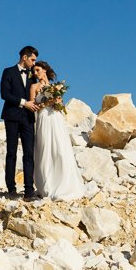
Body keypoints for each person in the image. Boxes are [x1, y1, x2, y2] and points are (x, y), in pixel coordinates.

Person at [31, 61, 84, 200]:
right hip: (43, 118)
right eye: (34, 71)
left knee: (60, 149)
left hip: (56, 118)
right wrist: (46, 103)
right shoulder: (34, 87)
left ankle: (64, 184)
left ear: (44, 70)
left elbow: (60, 106)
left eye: (37, 70)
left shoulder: (55, 86)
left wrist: (58, 101)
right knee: (45, 149)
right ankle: (46, 185)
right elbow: (33, 106)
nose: (35, 73)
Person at [0, 45, 40, 200]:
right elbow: (4, 94)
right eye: (32, 59)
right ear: (24, 57)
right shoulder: (8, 72)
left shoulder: (33, 75)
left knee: (29, 153)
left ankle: (29, 190)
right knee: (11, 152)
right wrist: (24, 103)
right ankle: (11, 189)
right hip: (12, 116)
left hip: (28, 118)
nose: (34, 63)